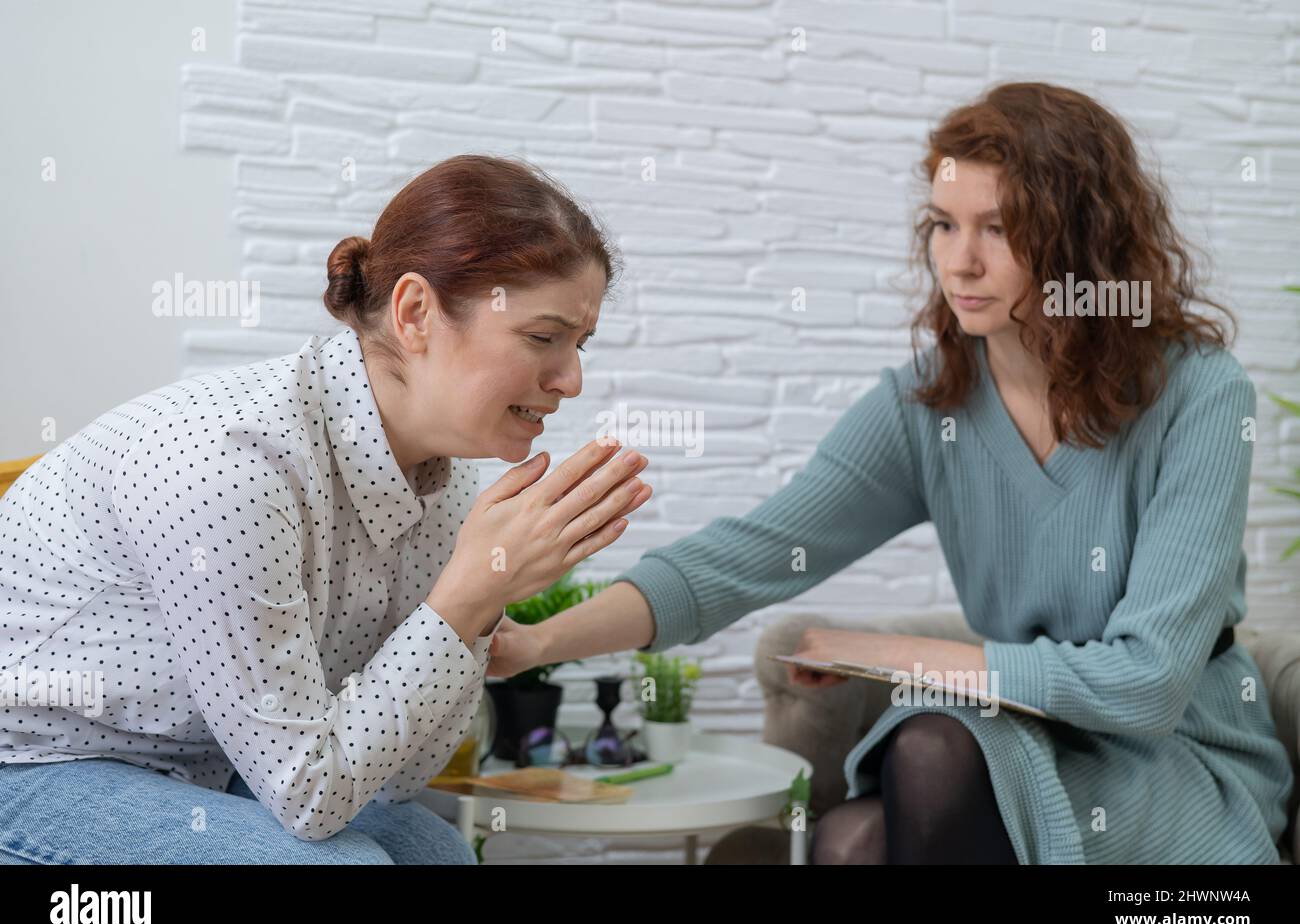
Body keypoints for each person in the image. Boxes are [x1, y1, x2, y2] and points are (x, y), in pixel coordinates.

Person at [485, 82, 1296, 864]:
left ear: (1081, 240)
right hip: (1023, 729)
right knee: (850, 837)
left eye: (1000, 229)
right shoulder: (927, 404)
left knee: (921, 760)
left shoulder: (1199, 392)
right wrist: (537, 643)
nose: (961, 262)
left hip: (1171, 751)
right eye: (944, 225)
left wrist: (900, 655)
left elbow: (1148, 683)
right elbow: (748, 557)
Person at [0, 155, 652, 864]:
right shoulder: (234, 465)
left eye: (579, 343)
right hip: (35, 763)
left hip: (206, 766)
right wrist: (467, 599)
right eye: (542, 336)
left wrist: (481, 604)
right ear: (414, 313)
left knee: (441, 856)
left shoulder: (451, 492)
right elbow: (311, 795)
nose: (572, 380)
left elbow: (400, 777)